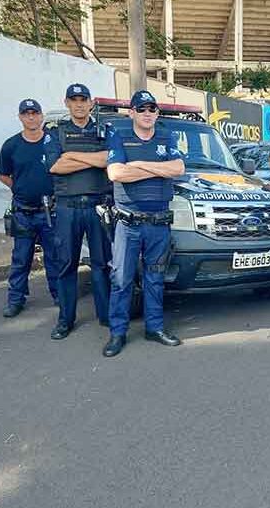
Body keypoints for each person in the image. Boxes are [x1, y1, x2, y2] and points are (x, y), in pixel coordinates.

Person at [103, 90, 185, 357]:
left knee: (155, 278)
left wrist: (137, 165)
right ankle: (117, 333)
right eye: (142, 109)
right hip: (128, 224)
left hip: (158, 223)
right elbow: (116, 172)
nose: (147, 113)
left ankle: (154, 328)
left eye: (152, 109)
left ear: (157, 113)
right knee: (121, 280)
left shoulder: (166, 135)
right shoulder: (119, 135)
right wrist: (157, 167)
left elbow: (178, 169)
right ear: (132, 113)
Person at [44, 83, 112, 340]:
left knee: (101, 264)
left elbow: (109, 159)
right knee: (66, 265)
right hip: (67, 208)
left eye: (84, 99)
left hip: (97, 205)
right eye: (74, 100)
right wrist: (92, 158)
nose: (79, 104)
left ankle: (105, 316)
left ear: (91, 103)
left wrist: (71, 155)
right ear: (67, 103)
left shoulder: (104, 130)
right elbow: (55, 166)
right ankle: (65, 320)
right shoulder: (55, 132)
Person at [0, 98, 59, 317]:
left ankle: (59, 295)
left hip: (50, 212)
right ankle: (16, 300)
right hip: (23, 212)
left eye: (35, 113)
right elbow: (3, 176)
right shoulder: (11, 145)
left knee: (54, 257)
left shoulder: (53, 142)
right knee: (21, 258)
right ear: (20, 117)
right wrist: (21, 189)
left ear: (42, 116)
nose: (31, 117)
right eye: (26, 114)